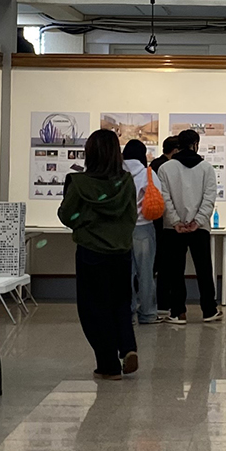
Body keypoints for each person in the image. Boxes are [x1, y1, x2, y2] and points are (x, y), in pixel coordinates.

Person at [59, 128, 139, 380]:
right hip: (121, 252)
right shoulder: (125, 181)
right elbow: (132, 216)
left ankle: (108, 365)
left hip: (91, 252)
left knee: (94, 309)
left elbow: (66, 215)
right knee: (121, 303)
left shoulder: (79, 183)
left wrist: (84, 222)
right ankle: (128, 347)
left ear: (90, 153)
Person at [155, 127, 220, 324]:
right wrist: (198, 221)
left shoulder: (166, 168)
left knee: (175, 271)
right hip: (199, 228)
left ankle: (178, 312)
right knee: (204, 269)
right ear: (195, 144)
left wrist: (176, 221)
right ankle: (209, 310)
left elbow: (165, 199)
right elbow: (209, 199)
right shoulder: (206, 168)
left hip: (173, 229)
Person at [123, 139, 161, 326]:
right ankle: (148, 313)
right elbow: (159, 197)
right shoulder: (148, 173)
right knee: (145, 273)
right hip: (144, 226)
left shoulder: (117, 173)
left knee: (125, 274)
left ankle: (127, 314)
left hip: (121, 229)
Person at [152, 135, 182, 316]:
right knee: (165, 265)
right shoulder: (165, 168)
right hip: (163, 223)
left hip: (154, 221)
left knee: (158, 265)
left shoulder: (154, 165)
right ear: (176, 150)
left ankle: (159, 303)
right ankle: (163, 303)